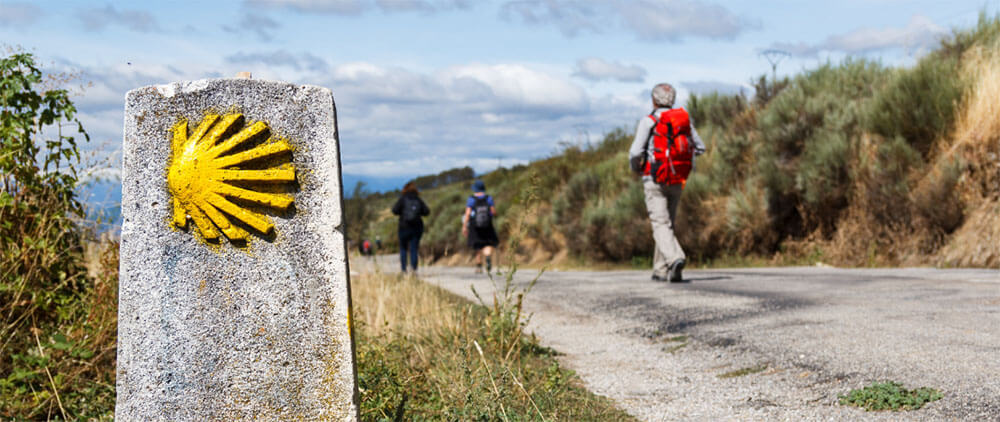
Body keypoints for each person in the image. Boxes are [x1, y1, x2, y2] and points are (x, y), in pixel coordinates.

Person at [628, 83, 706, 282]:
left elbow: (635, 152)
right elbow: (700, 147)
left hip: (654, 178)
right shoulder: (683, 121)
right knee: (667, 224)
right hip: (678, 178)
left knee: (660, 223)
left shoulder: (649, 121)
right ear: (672, 99)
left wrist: (637, 168)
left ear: (654, 100)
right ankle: (660, 269)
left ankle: (674, 258)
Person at [391, 182, 430, 273]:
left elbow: (394, 210)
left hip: (404, 227)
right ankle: (414, 269)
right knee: (414, 249)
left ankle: (403, 270)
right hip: (416, 228)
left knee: (403, 248)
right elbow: (427, 211)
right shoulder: (418, 200)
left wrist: (402, 213)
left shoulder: (403, 199)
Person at [462, 180, 499, 274]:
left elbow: (467, 214)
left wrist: (465, 226)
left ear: (475, 189)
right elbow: (493, 212)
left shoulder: (471, 199)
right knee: (487, 243)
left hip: (475, 226)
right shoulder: (488, 198)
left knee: (477, 245)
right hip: (487, 225)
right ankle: (487, 257)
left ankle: (479, 266)